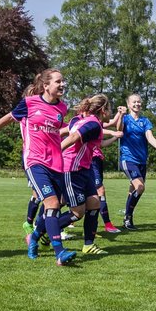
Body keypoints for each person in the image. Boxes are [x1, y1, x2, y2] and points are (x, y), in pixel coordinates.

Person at [0, 68, 78, 266]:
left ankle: (35, 237)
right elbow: (10, 117)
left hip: (56, 163)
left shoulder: (63, 108)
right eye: (58, 82)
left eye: (63, 82)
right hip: (35, 162)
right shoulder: (29, 103)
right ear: (46, 86)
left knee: (55, 206)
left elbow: (54, 132)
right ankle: (59, 253)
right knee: (51, 204)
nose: (62, 85)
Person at [59, 95, 114, 255]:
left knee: (95, 203)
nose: (110, 112)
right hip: (72, 169)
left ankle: (88, 245)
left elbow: (64, 131)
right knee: (77, 212)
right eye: (109, 109)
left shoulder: (84, 120)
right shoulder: (92, 123)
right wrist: (55, 152)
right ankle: (44, 230)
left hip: (85, 169)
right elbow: (74, 137)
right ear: (103, 110)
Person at [115, 93, 156, 230]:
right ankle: (128, 217)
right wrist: (120, 115)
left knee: (133, 189)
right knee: (140, 187)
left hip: (141, 161)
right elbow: (118, 129)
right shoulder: (125, 118)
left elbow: (149, 137)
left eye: (139, 102)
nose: (137, 104)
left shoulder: (145, 121)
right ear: (128, 104)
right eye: (134, 102)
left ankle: (127, 217)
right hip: (128, 159)